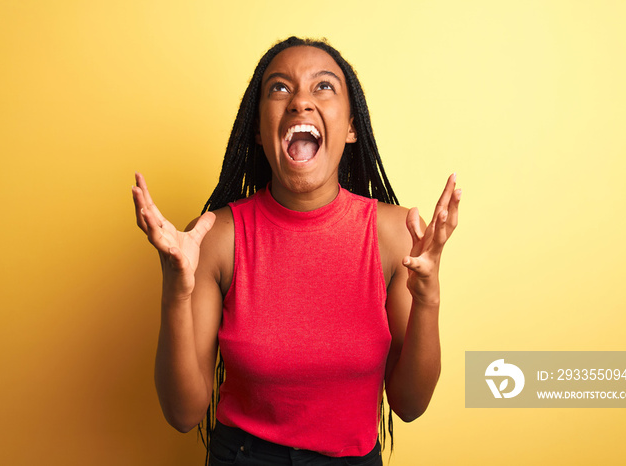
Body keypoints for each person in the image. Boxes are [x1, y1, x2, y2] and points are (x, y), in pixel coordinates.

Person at [132, 37, 461, 466]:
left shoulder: (396, 236)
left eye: (323, 87)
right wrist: (175, 291)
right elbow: (183, 413)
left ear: (350, 127)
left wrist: (428, 298)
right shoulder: (215, 237)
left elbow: (410, 404)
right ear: (257, 127)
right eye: (280, 88)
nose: (300, 101)